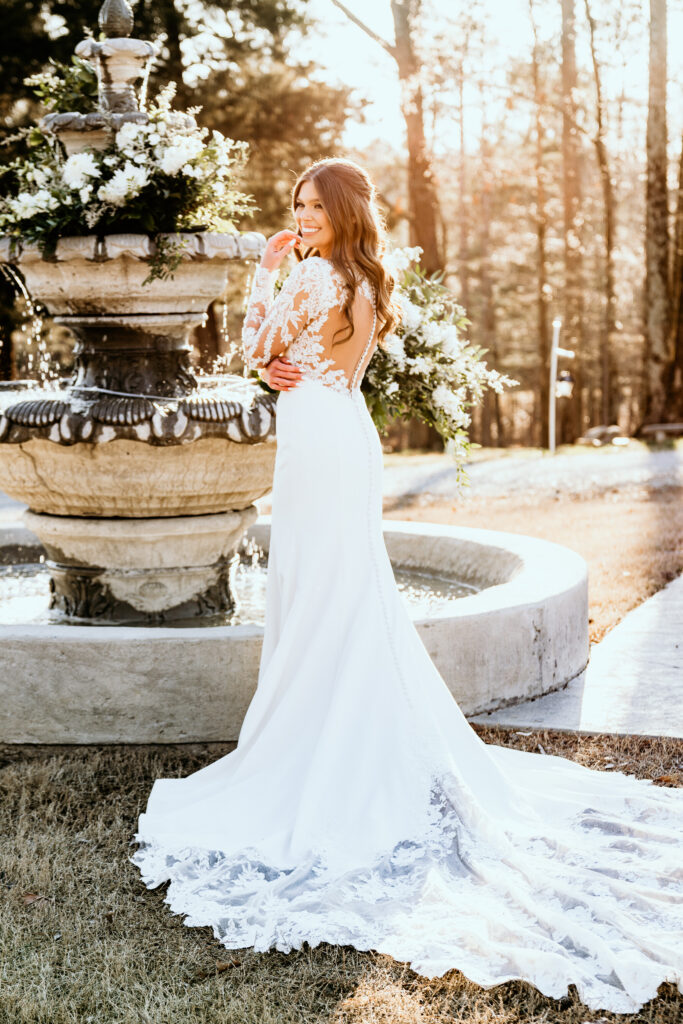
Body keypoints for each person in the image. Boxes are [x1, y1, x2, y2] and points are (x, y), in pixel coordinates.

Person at [132, 158, 683, 1014]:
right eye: (297, 206)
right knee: (344, 589)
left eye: (315, 206)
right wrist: (288, 335)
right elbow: (311, 360)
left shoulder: (312, 269)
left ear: (343, 211)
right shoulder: (368, 279)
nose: (302, 215)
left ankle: (322, 737)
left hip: (317, 437)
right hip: (338, 429)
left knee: (324, 589)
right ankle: (344, 717)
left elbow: (258, 348)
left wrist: (266, 268)